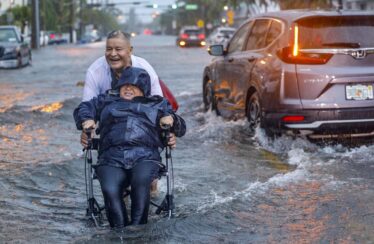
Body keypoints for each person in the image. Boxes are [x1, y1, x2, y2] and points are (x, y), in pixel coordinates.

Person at [73, 67, 186, 227]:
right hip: (111, 157)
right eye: (124, 85)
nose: (128, 88)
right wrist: (86, 119)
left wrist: (171, 118)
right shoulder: (106, 100)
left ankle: (137, 232)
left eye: (133, 85)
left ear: (144, 89)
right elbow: (83, 108)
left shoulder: (158, 104)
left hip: (145, 157)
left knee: (141, 183)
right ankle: (119, 231)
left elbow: (181, 129)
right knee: (110, 188)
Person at [80, 30, 177, 148]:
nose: (113, 54)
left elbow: (158, 105)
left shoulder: (144, 69)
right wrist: (86, 128)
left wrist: (168, 131)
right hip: (112, 132)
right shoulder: (95, 71)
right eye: (109, 49)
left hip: (142, 132)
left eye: (118, 49)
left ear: (130, 50)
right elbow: (87, 106)